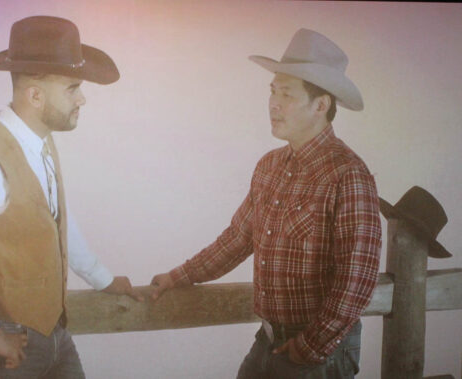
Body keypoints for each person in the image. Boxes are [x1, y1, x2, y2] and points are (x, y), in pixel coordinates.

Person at [0, 16, 143, 378]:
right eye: (72, 88)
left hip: (54, 333)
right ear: (35, 95)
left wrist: (102, 279)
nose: (82, 98)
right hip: (2, 347)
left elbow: (56, 222)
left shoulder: (39, 139)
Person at [150, 28, 381, 378]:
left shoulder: (348, 174)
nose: (273, 104)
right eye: (273, 91)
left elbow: (356, 279)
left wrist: (310, 347)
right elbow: (237, 239)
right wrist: (178, 276)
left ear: (321, 105)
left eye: (286, 94)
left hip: (320, 353)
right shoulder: (269, 166)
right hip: (269, 339)